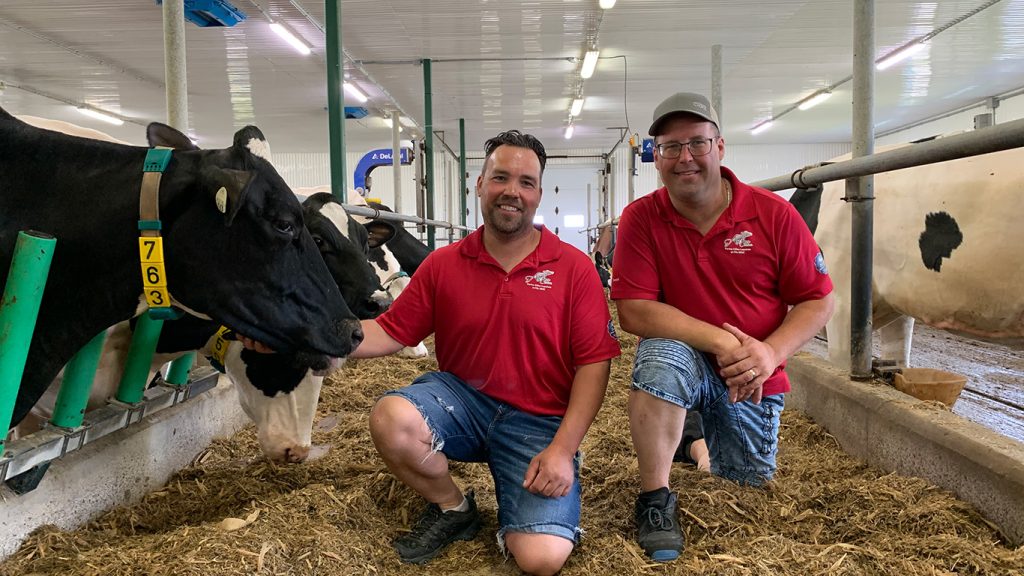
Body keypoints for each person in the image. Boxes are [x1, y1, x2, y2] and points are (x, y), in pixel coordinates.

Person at [350, 130, 621, 575]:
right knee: (391, 418)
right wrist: (313, 337)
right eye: (500, 177)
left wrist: (562, 449)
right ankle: (453, 508)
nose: (512, 191)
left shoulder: (573, 268)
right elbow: (389, 331)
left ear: (538, 193)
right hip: (462, 403)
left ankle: (537, 485)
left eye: (526, 182)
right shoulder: (443, 264)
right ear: (480, 184)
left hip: (539, 421)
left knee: (541, 558)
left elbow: (594, 363)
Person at [610, 92, 835, 562]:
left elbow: (818, 299)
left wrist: (767, 354)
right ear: (656, 157)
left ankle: (691, 443)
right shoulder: (642, 218)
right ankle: (655, 499)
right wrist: (723, 340)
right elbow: (633, 309)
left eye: (697, 143)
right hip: (692, 359)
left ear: (720, 146)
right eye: (670, 147)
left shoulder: (773, 214)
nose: (684, 157)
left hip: (753, 377)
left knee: (744, 487)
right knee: (659, 359)